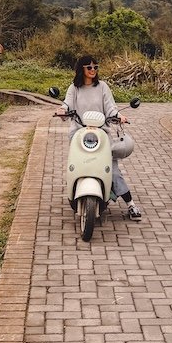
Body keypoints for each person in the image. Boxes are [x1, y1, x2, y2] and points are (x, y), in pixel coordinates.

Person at [63, 55, 142, 220]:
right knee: (76, 165)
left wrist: (119, 116)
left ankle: (131, 205)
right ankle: (74, 191)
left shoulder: (103, 87)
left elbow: (110, 107)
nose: (93, 70)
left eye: (95, 67)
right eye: (89, 67)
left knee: (112, 171)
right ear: (81, 69)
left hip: (101, 134)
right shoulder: (74, 88)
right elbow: (67, 104)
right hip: (80, 134)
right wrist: (61, 110)